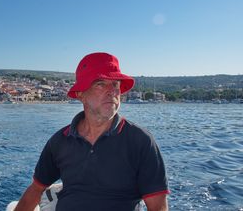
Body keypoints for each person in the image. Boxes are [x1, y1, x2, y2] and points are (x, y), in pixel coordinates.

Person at [14, 52, 170, 211]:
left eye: (115, 84)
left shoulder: (140, 141)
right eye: (100, 84)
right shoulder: (60, 141)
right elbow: (36, 189)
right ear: (80, 94)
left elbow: (158, 207)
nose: (112, 91)